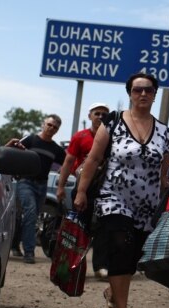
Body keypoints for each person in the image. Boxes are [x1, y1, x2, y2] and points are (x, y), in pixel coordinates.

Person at [73, 73, 169, 308]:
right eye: (137, 89)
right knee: (119, 245)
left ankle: (112, 292)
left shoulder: (164, 131)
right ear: (130, 93)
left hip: (148, 204)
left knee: (135, 256)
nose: (143, 94)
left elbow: (165, 174)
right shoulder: (112, 123)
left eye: (148, 90)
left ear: (154, 94)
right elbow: (93, 160)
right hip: (114, 198)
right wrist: (81, 192)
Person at [56, 102, 111, 280]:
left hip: (105, 189)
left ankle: (100, 266)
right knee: (79, 227)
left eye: (104, 114)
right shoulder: (80, 137)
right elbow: (68, 161)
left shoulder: (112, 138)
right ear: (90, 116)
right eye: (97, 113)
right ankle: (73, 264)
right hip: (83, 189)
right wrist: (61, 186)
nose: (100, 117)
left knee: (104, 228)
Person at [6, 115, 66, 264]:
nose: (51, 128)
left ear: (57, 131)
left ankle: (14, 245)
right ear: (43, 124)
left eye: (55, 127)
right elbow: (9, 150)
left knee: (28, 217)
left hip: (42, 185)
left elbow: (68, 163)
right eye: (49, 125)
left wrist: (65, 179)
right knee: (31, 214)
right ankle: (29, 252)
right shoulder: (30, 140)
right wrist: (7, 146)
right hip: (25, 181)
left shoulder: (56, 149)